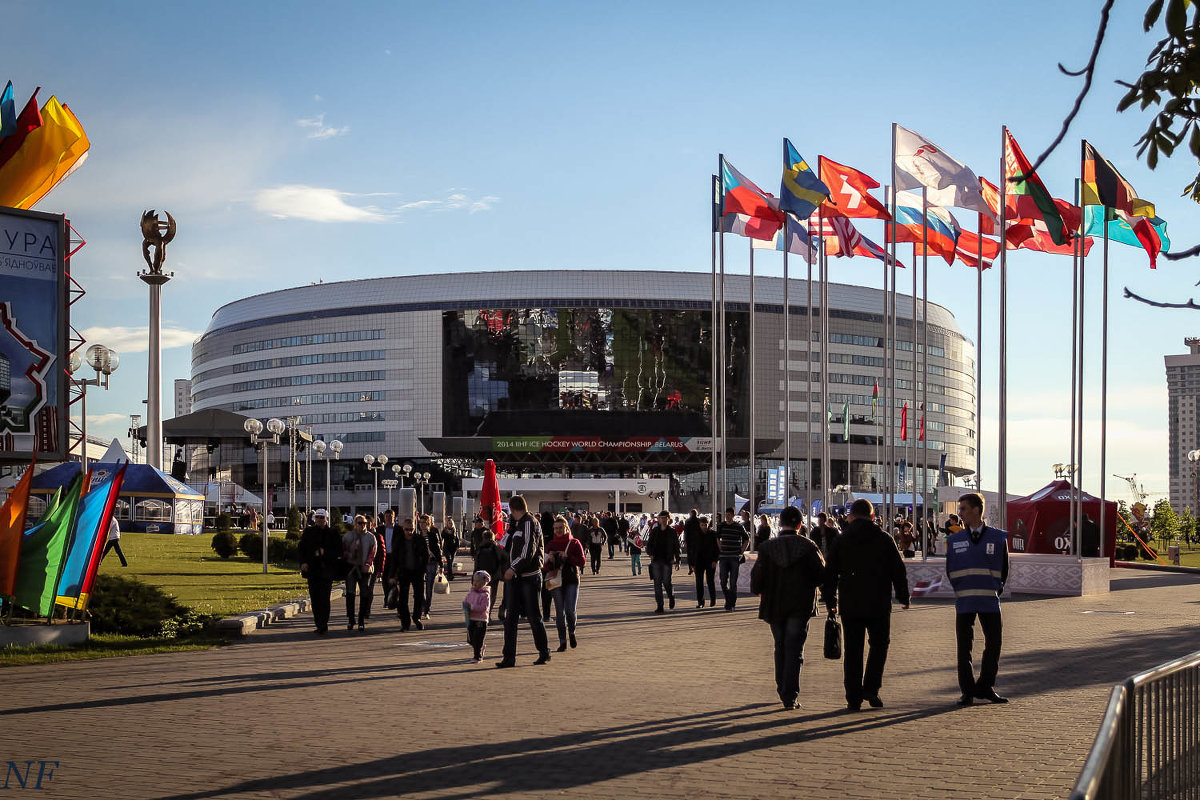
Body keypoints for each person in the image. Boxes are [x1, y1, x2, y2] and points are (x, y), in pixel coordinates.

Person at [823, 499, 910, 711]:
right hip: (878, 601)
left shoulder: (842, 540)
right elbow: (897, 571)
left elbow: (830, 572)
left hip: (850, 601)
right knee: (879, 645)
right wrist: (903, 596)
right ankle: (871, 688)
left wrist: (830, 600)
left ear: (851, 516)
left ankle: (853, 697)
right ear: (872, 516)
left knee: (853, 650)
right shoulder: (884, 538)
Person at [750, 505, 825, 711]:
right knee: (795, 649)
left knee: (780, 645)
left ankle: (781, 686)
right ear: (800, 525)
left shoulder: (767, 548)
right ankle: (790, 694)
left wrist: (759, 590)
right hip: (800, 605)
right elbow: (821, 575)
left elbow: (757, 578)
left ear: (780, 524)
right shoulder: (808, 547)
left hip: (774, 604)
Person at [947, 492, 1010, 706]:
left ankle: (985, 686)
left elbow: (1004, 569)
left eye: (963, 509)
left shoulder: (998, 538)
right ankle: (967, 691)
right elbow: (950, 569)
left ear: (976, 510)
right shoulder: (954, 539)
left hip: (990, 601)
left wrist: (995, 589)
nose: (960, 513)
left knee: (994, 644)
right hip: (964, 601)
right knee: (964, 647)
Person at [496, 495, 551, 668]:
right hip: (516, 578)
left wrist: (513, 568)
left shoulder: (529, 522)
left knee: (534, 616)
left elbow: (528, 549)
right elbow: (507, 546)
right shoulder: (516, 524)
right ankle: (509, 657)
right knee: (510, 618)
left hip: (528, 577)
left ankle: (544, 652)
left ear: (513, 509)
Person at [545, 515, 586, 651]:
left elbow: (582, 562)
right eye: (556, 528)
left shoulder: (574, 543)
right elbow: (544, 566)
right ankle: (562, 641)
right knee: (559, 612)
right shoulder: (550, 544)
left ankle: (572, 632)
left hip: (571, 579)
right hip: (556, 580)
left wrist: (568, 557)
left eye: (561, 528)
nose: (558, 530)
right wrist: (549, 559)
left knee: (570, 610)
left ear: (566, 527)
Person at [298, 509, 342, 635]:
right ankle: (318, 623)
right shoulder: (309, 532)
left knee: (324, 599)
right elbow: (302, 549)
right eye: (317, 517)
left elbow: (339, 551)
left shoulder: (333, 533)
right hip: (312, 570)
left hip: (326, 571)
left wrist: (324, 553)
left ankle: (324, 624)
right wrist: (303, 563)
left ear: (326, 519)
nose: (319, 519)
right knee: (315, 599)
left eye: (322, 517)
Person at [392, 518, 431, 631]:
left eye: (411, 529)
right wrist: (392, 575)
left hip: (417, 572)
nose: (409, 532)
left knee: (418, 596)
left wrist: (423, 570)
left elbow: (425, 556)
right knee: (403, 598)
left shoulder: (419, 539)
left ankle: (417, 618)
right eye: (407, 529)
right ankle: (405, 622)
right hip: (404, 572)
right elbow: (394, 559)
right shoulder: (399, 540)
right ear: (403, 529)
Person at [341, 515, 378, 631]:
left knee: (364, 595)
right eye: (360, 523)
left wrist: (367, 564)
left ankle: (361, 620)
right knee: (350, 594)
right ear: (355, 524)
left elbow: (373, 553)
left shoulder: (371, 537)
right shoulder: (348, 536)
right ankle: (351, 619)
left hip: (364, 570)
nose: (363, 525)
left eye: (365, 523)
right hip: (351, 569)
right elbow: (343, 550)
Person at [646, 510, 681, 613]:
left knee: (666, 582)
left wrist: (678, 560)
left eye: (665, 518)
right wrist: (650, 553)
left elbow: (676, 547)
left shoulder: (672, 532)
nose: (663, 520)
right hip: (656, 560)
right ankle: (660, 605)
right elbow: (649, 544)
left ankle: (671, 596)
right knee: (657, 583)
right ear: (659, 519)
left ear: (668, 519)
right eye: (662, 518)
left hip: (667, 560)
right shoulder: (655, 531)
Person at [472, 526, 510, 621]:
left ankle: (482, 614)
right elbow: (505, 557)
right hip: (494, 575)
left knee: (482, 595)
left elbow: (476, 563)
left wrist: (474, 575)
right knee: (492, 596)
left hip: (481, 575)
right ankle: (488, 614)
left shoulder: (480, 547)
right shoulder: (495, 546)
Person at [717, 508, 750, 611]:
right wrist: (720, 548)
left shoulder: (738, 527)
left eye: (729, 514)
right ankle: (728, 599)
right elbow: (717, 537)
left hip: (734, 557)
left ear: (733, 515)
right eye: (726, 514)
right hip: (723, 557)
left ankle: (732, 603)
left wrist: (741, 551)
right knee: (723, 581)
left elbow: (746, 539)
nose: (727, 516)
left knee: (733, 582)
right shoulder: (721, 526)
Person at [463, 570, 492, 663]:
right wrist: (465, 606)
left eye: (478, 581)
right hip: (471, 618)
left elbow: (484, 608)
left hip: (481, 619)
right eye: (474, 581)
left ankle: (477, 656)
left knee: (478, 638)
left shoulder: (485, 595)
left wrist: (471, 607)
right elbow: (466, 601)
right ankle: (480, 647)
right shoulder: (471, 592)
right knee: (470, 639)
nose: (475, 583)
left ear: (483, 583)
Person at [692, 516, 719, 608]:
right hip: (698, 561)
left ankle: (713, 599)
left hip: (710, 561)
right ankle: (700, 601)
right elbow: (692, 550)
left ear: (708, 524)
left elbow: (717, 549)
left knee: (710, 581)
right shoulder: (696, 535)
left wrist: (715, 560)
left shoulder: (713, 534)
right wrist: (692, 564)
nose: (704, 527)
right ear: (699, 525)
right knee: (699, 582)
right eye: (702, 525)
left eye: (705, 525)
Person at [419, 515, 442, 618]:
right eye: (420, 522)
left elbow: (437, 550)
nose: (422, 524)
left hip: (432, 563)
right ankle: (423, 605)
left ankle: (427, 610)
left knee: (429, 587)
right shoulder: (417, 536)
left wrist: (441, 564)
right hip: (421, 564)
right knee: (419, 587)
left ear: (428, 524)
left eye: (424, 522)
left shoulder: (433, 535)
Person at [683, 510, 702, 574]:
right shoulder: (699, 521)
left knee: (690, 555)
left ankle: (690, 568)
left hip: (689, 540)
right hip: (697, 540)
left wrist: (685, 540)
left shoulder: (687, 521)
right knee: (696, 555)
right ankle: (695, 567)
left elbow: (685, 531)